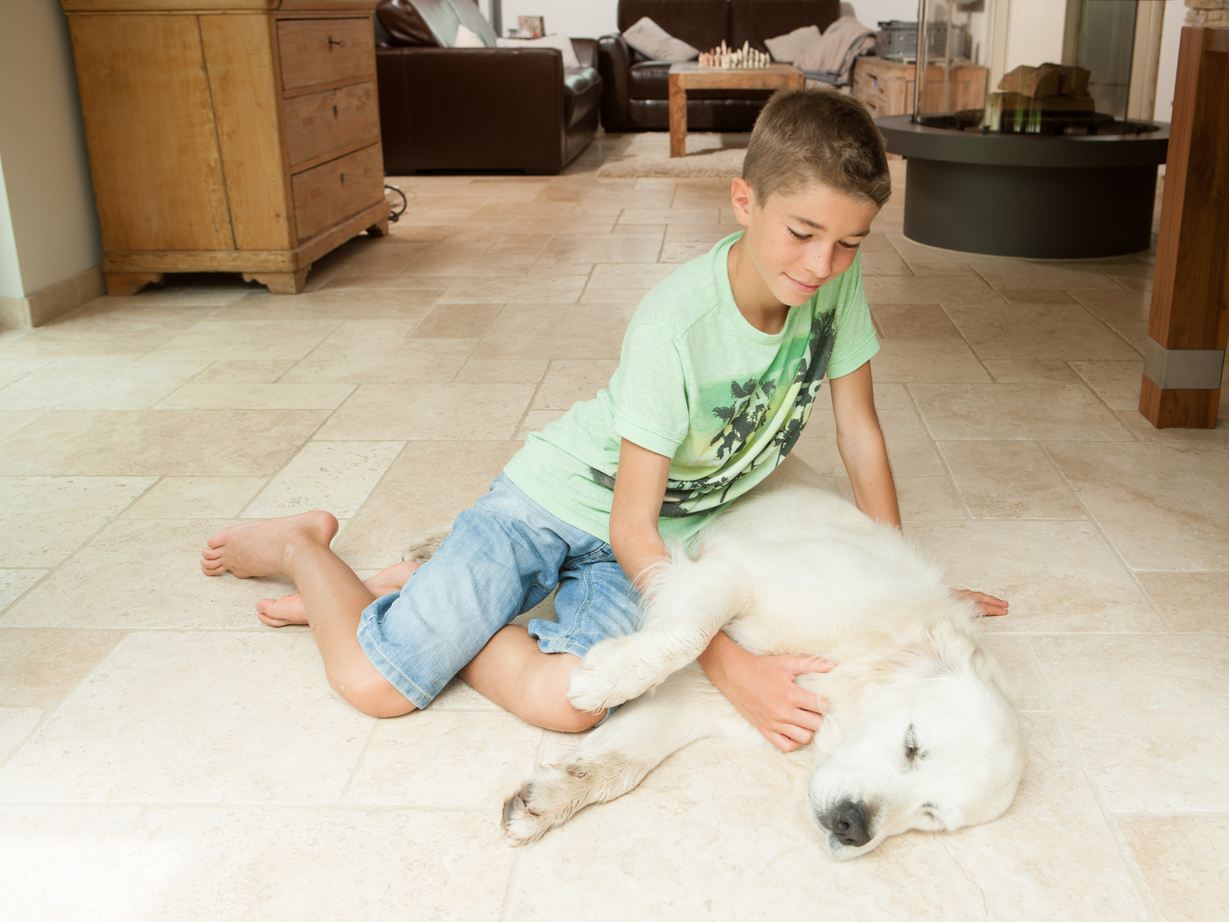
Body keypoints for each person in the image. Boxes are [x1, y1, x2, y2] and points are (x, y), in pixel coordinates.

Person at [200, 89, 1006, 753]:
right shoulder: (673, 325)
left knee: (574, 704)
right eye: (801, 233)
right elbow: (629, 524)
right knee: (377, 687)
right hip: (553, 505)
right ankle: (303, 547)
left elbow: (859, 432)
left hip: (651, 539)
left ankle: (438, 597)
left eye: (848, 244)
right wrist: (726, 666)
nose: (821, 264)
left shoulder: (832, 284)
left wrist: (900, 578)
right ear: (743, 199)